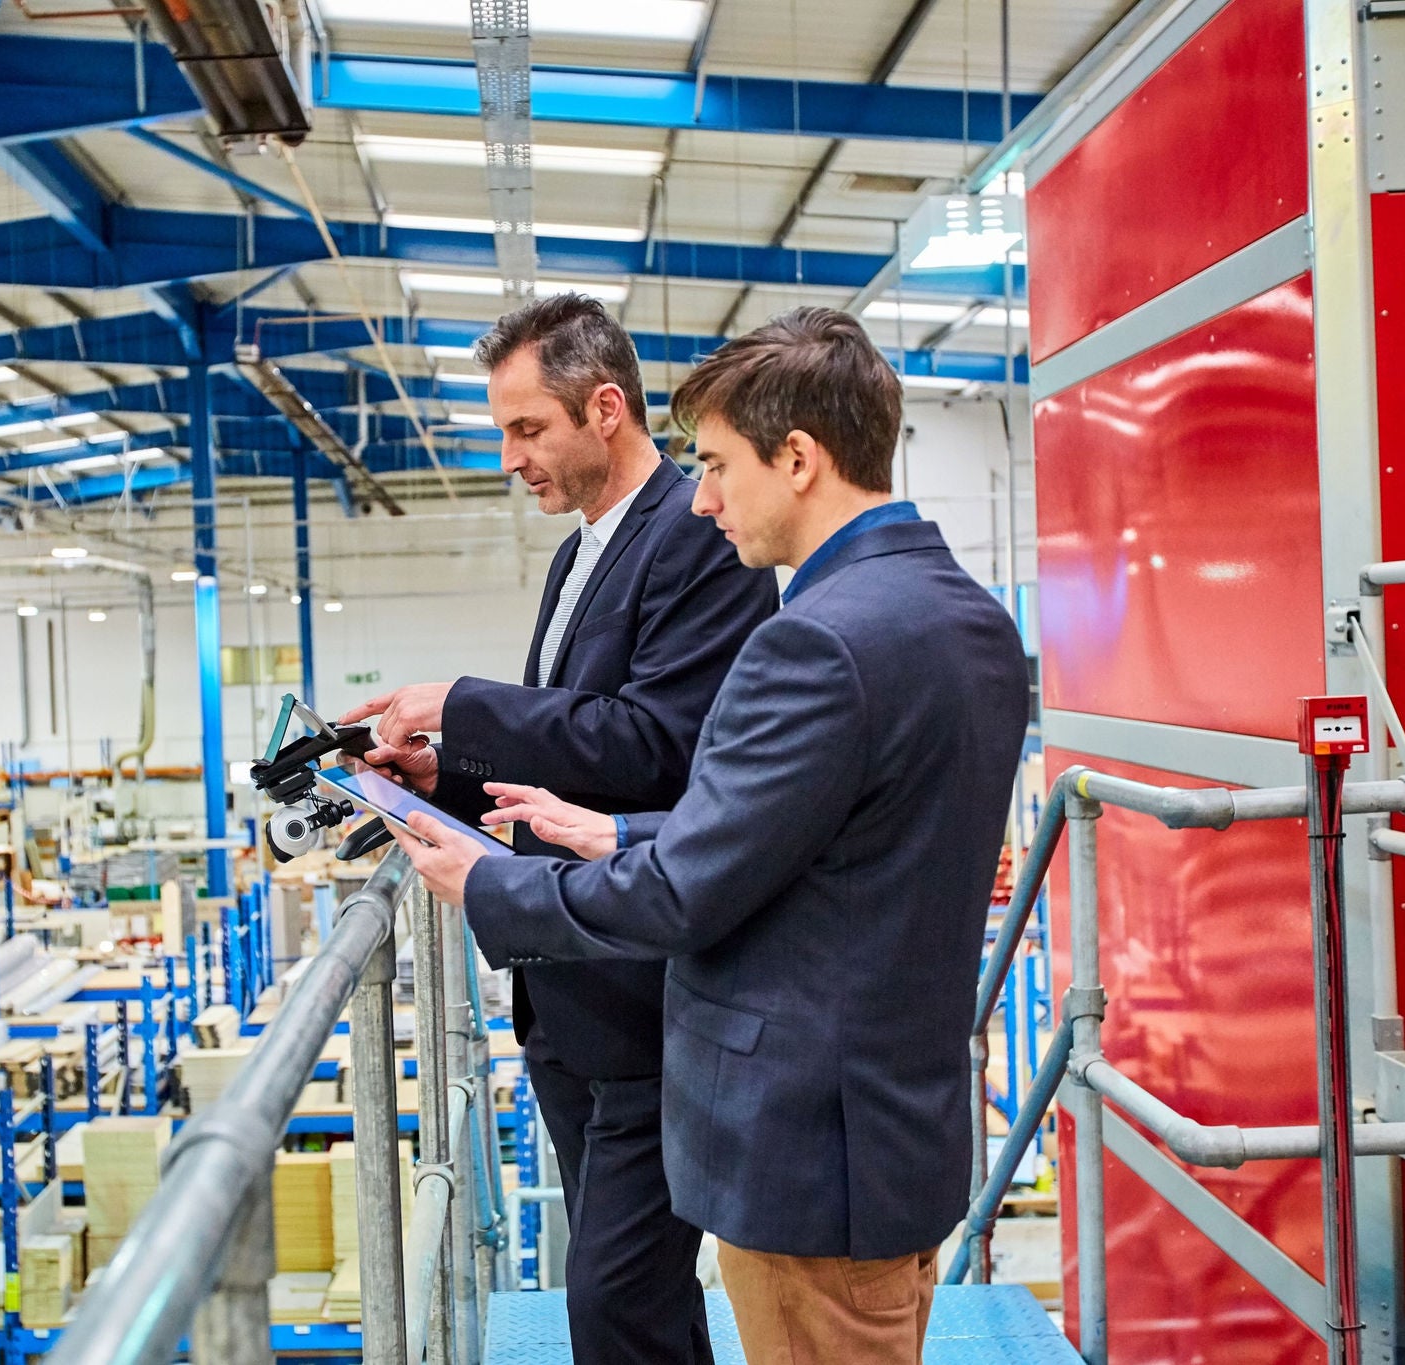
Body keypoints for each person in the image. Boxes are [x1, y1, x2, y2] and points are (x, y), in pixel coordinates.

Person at [388, 307, 1031, 1365]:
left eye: (721, 464)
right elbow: (815, 832)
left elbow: (684, 894)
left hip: (811, 1150)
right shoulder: (959, 614)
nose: (703, 497)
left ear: (797, 458)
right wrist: (614, 830)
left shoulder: (816, 642)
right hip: (890, 1127)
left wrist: (490, 886)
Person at [339, 293, 778, 1365]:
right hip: (570, 1002)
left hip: (645, 999)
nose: (508, 456)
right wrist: (443, 776)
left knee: (613, 1306)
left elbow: (653, 746)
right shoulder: (579, 552)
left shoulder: (696, 538)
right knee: (639, 1304)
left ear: (605, 409)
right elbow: (569, 752)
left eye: (525, 428)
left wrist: (464, 700)